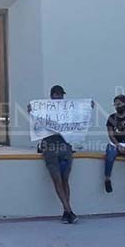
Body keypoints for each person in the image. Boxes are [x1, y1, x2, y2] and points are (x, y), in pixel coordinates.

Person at [31, 85, 91, 224]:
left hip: (65, 147)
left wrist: (88, 108)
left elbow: (79, 118)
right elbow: (37, 124)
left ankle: (66, 212)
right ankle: (68, 210)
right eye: (57, 95)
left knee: (64, 180)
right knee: (57, 180)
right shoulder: (44, 110)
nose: (59, 97)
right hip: (50, 148)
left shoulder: (68, 111)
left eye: (61, 95)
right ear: (52, 96)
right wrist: (32, 111)